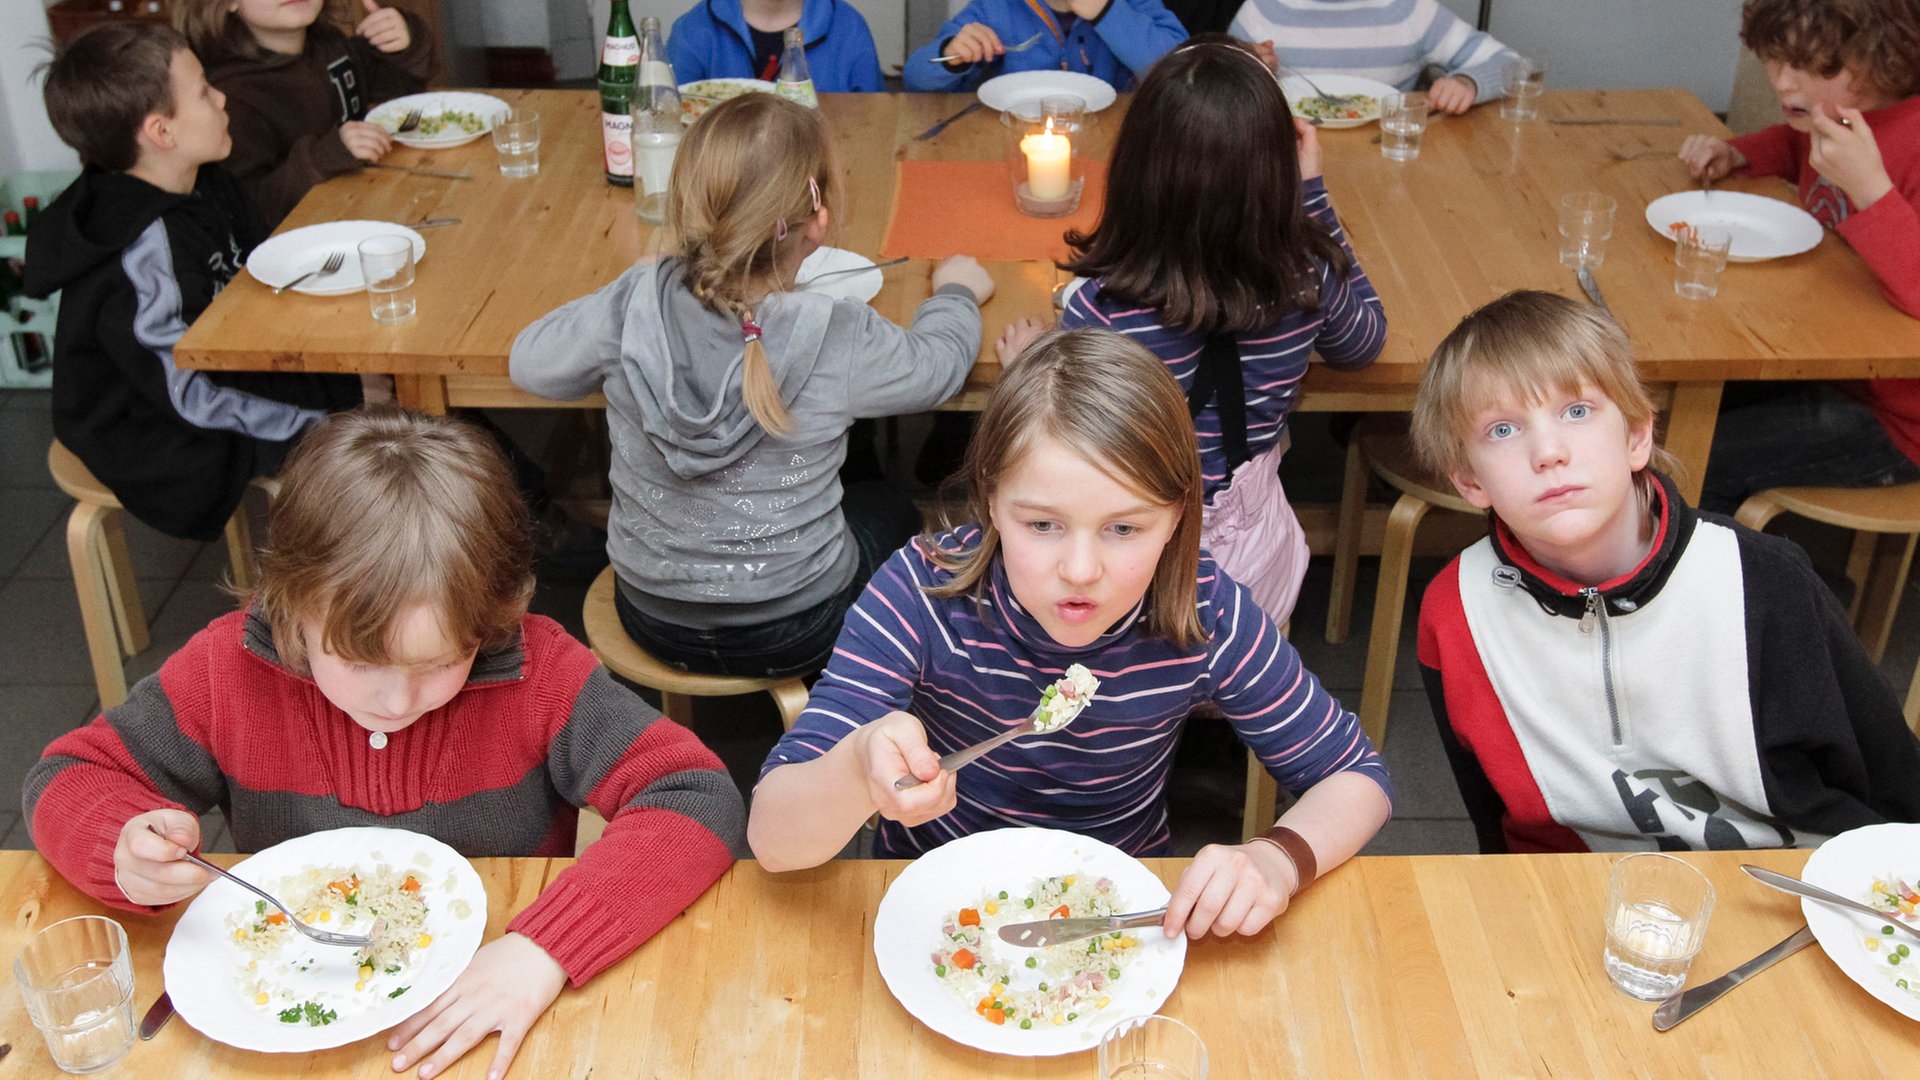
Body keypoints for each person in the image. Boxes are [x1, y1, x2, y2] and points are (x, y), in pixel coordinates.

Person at [23, 408, 746, 1079]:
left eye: (439, 665)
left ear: (490, 622)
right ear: (292, 607)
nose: (398, 702)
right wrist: (120, 844)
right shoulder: (228, 671)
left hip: (495, 993)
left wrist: (547, 946)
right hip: (279, 1011)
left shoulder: (538, 674)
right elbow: (67, 775)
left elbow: (695, 797)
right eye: (361, 664)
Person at [748, 329, 1393, 941]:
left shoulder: (1206, 612)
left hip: (1116, 915)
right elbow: (773, 839)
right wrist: (857, 769)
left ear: (1176, 519)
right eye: (1043, 526)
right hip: (934, 906)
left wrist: (1279, 861)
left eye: (1124, 529)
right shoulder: (922, 595)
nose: (1080, 571)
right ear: (993, 502)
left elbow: (1356, 775)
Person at [1410, 291, 1920, 855]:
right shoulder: (1454, 611)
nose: (1548, 452)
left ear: (1635, 436)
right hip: (1578, 897)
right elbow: (1497, 825)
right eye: (1502, 430)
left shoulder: (1766, 584)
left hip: (1786, 882)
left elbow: (1892, 791)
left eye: (1576, 411)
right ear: (1469, 482)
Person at [511, 94, 992, 680]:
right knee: (885, 503)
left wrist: (632, 285)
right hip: (800, 628)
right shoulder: (835, 329)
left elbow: (530, 364)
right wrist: (956, 293)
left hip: (651, 614)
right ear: (817, 218)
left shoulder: (631, 306)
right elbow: (939, 365)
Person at [1057, 36, 1385, 627]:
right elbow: (1363, 345)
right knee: (1248, 681)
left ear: (1134, 170)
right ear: (1277, 171)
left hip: (1138, 580)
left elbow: (1077, 437)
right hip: (1256, 580)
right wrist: (1315, 203)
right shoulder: (1306, 278)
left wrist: (1039, 355)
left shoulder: (1099, 313)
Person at [23, 22, 362, 542]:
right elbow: (187, 390)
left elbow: (251, 286)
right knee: (363, 447)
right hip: (149, 428)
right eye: (204, 91)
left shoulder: (205, 181)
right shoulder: (143, 248)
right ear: (163, 132)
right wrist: (320, 419)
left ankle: (519, 520)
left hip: (215, 371)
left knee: (380, 388)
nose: (222, 97)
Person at [1678, 0, 1920, 513]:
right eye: (1775, 58)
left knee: (1694, 464)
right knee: (1665, 414)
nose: (1784, 82)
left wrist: (1872, 191)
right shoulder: (1837, 117)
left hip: (1899, 420)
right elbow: (1795, 147)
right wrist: (1741, 152)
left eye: (1811, 66)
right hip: (1817, 363)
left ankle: (1768, 584)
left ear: (1886, 57)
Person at [175, 0, 435, 228]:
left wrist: (405, 41)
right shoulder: (229, 94)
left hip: (366, 211)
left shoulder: (328, 43)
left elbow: (397, 96)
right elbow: (252, 208)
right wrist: (326, 156)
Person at [1228, 0, 1519, 114]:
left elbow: (1513, 64)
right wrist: (1247, 68)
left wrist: (1469, 82)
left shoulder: (1408, 9)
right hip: (1287, 167)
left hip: (1389, 158)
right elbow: (1213, 92)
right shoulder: (1261, 10)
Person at [904, 0, 1187, 93]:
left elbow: (1186, 74)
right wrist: (951, 54)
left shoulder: (1131, 3)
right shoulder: (995, 6)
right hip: (1018, 141)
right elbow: (916, 77)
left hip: (1115, 145)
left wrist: (1106, 12)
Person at [668, 0, 885, 91]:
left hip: (825, 176)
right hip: (720, 180)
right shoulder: (692, 31)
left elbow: (875, 123)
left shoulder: (849, 28)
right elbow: (668, 119)